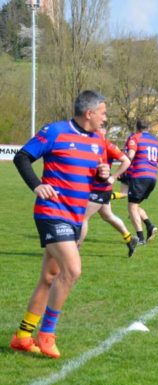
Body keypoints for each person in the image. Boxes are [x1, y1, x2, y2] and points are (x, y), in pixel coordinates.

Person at [10, 90, 111, 358]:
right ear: (89, 113)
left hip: (76, 216)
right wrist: (37, 185)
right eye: (103, 112)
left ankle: (22, 335)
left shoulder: (98, 141)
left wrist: (102, 175)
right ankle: (47, 334)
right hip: (52, 212)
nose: (105, 118)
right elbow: (22, 157)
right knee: (72, 270)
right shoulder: (55, 131)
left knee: (49, 277)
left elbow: (93, 180)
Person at [78, 131, 137, 257]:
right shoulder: (87, 143)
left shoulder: (107, 145)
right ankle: (129, 239)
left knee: (82, 218)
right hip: (94, 187)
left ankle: (75, 250)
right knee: (108, 216)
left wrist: (113, 177)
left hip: (100, 188)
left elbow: (126, 161)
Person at [127, 119, 158, 245]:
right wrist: (150, 165)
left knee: (132, 207)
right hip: (152, 178)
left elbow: (130, 156)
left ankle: (140, 238)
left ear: (137, 127)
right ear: (148, 128)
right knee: (135, 206)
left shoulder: (135, 138)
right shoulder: (156, 141)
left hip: (140, 176)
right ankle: (149, 226)